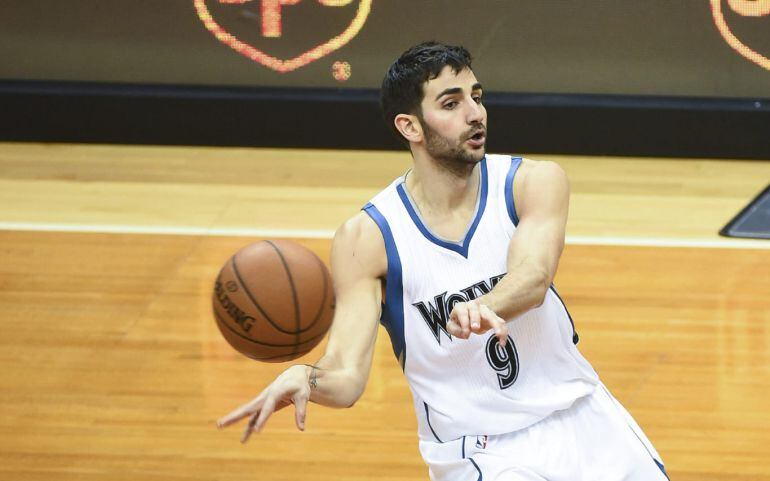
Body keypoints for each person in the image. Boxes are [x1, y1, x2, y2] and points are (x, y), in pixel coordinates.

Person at [217, 42, 669, 481]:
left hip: (583, 414)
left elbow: (533, 276)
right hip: (479, 450)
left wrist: (486, 304)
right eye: (451, 104)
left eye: (477, 97)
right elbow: (347, 376)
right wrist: (306, 378)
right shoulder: (367, 238)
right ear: (410, 127)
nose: (475, 113)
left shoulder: (532, 182)